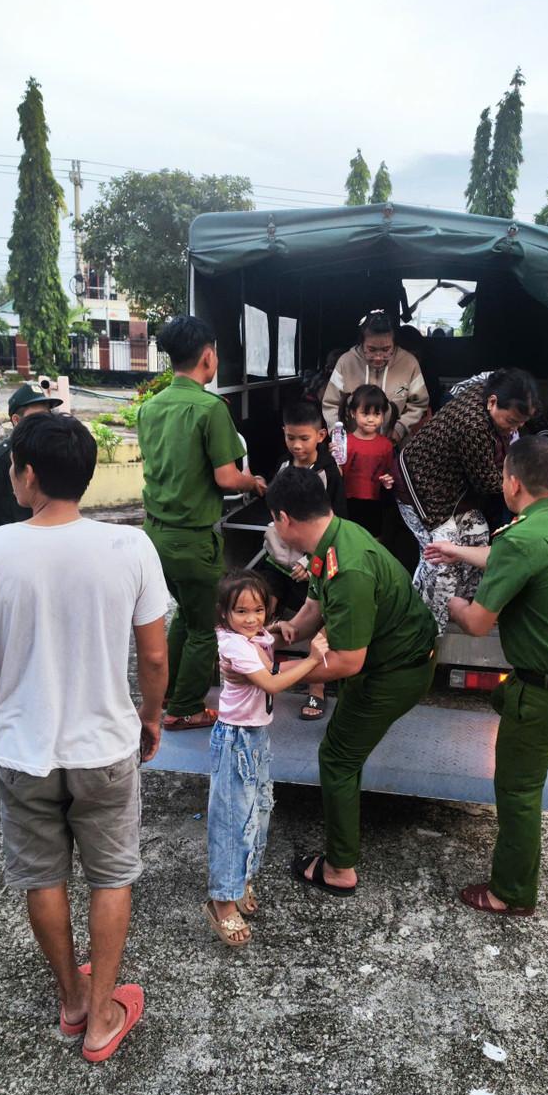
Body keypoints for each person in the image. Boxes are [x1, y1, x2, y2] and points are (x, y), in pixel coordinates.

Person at [0, 412, 170, 1062]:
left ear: (31, 475)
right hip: (104, 746)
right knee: (110, 879)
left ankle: (71, 1000)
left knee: (41, 877)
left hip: (22, 751)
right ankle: (103, 1019)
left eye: (13, 464)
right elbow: (154, 659)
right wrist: (151, 718)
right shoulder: (130, 548)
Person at [425, 435, 548, 917]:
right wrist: (456, 552)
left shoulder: (520, 537)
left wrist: (437, 595)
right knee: (501, 700)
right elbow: (512, 559)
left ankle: (510, 893)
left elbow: (476, 624)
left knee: (516, 789)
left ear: (512, 483)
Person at [266, 467, 437, 896]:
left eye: (272, 519)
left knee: (337, 758)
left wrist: (272, 679)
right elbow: (315, 604)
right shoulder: (334, 537)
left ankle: (340, 869)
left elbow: (345, 662)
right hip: (384, 663)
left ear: (284, 518)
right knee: (345, 749)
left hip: (397, 671)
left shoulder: (349, 567)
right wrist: (288, 631)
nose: (273, 527)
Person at [137, 315, 267, 732]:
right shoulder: (209, 408)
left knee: (184, 615)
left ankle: (169, 691)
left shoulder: (150, 407)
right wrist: (254, 482)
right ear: (208, 357)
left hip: (154, 534)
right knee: (207, 625)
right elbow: (227, 478)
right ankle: (185, 708)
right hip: (191, 540)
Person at [204, 570, 330, 946]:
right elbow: (273, 681)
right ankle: (221, 902)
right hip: (235, 741)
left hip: (255, 736)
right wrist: (313, 659)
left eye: (258, 610)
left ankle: (239, 879)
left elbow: (265, 640)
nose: (252, 619)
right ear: (223, 614)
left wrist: (279, 631)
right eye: (241, 611)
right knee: (231, 821)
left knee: (257, 812)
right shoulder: (234, 647)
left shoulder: (252, 636)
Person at [395, 367, 539, 631]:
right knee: (439, 558)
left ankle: (463, 605)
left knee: (479, 535)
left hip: (454, 489)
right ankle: (425, 626)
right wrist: (527, 491)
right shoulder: (472, 425)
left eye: (520, 424)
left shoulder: (486, 388)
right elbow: (489, 482)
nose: (514, 429)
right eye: (511, 422)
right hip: (420, 488)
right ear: (493, 402)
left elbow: (489, 375)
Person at [259, 396, 346, 722]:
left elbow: (337, 524)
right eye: (290, 437)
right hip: (278, 561)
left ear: (321, 436)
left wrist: (311, 563)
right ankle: (260, 674)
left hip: (313, 564)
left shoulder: (329, 473)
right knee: (259, 605)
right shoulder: (282, 467)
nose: (296, 445)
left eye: (304, 438)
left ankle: (317, 688)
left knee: (319, 615)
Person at [322, 310, 428, 444]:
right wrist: (338, 434)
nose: (378, 357)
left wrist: (400, 428)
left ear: (394, 343)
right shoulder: (346, 362)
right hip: (352, 445)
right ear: (361, 343)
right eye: (371, 350)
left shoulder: (408, 363)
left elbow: (418, 403)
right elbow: (331, 403)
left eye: (386, 350)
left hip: (393, 445)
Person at [0, 382, 62, 526]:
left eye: (47, 415)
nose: (45, 423)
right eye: (37, 417)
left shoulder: (52, 453)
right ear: (16, 420)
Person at [337, 383, 395, 538]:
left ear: (383, 416)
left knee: (374, 540)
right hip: (348, 501)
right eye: (365, 413)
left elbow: (390, 473)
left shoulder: (386, 445)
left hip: (375, 502)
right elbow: (337, 474)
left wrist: (388, 482)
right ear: (353, 413)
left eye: (376, 414)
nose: (371, 419)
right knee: (348, 538)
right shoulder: (344, 443)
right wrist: (333, 457)